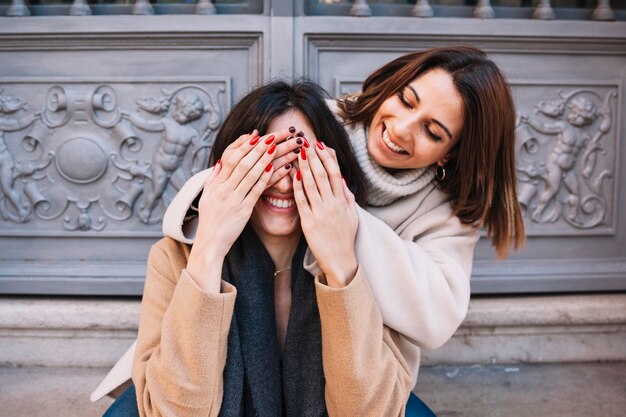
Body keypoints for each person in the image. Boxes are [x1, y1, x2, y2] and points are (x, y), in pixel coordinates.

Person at [102, 81, 416, 417]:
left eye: (300, 160)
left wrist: (340, 264)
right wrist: (209, 248)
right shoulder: (172, 258)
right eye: (266, 160)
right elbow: (173, 410)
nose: (282, 182)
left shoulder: (369, 255)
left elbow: (370, 410)